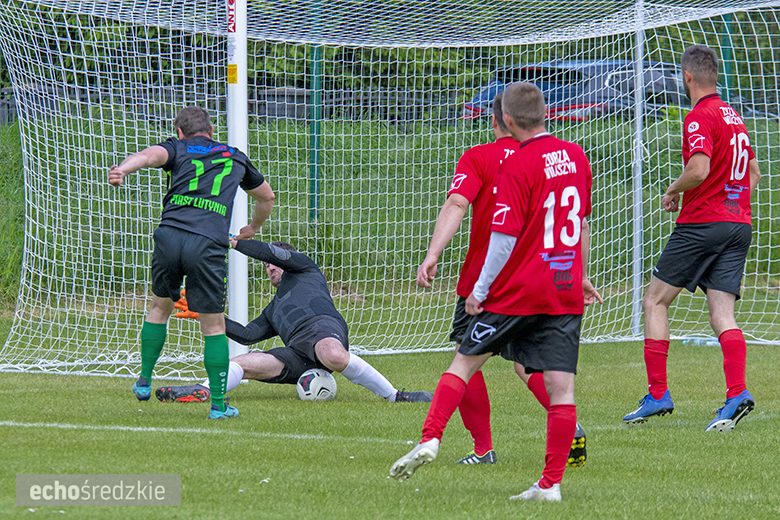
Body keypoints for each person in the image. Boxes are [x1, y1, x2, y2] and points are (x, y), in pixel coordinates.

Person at [390, 82, 601, 502]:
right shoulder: (576, 155)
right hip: (562, 287)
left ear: (501, 119)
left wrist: (476, 288)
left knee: (464, 362)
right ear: (546, 112)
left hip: (511, 288)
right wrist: (579, 273)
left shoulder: (505, 162)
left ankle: (437, 439)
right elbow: (579, 222)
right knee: (557, 384)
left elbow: (496, 232)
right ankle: (550, 484)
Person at [622, 45, 761, 431]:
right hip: (738, 224)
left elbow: (698, 169)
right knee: (722, 315)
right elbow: (753, 174)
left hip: (703, 223)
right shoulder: (734, 117)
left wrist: (672, 190)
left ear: (686, 77)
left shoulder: (700, 115)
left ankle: (657, 394)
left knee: (654, 301)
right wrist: (732, 203)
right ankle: (736, 394)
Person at [108, 106, 275, 420]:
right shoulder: (234, 156)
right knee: (213, 326)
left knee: (159, 308)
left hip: (170, 236)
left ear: (180, 132)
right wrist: (253, 227)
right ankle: (218, 406)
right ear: (211, 131)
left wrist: (123, 170)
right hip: (208, 242)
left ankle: (144, 381)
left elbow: (147, 156)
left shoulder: (177, 147)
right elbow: (267, 197)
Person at [155, 239, 433, 404]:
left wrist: (232, 242)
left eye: (273, 263)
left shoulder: (304, 268)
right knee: (242, 362)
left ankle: (396, 396)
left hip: (323, 327)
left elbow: (270, 253)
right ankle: (204, 391)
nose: (270, 267)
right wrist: (208, 314)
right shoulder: (273, 309)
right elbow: (248, 334)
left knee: (332, 354)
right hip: (298, 355)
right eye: (267, 267)